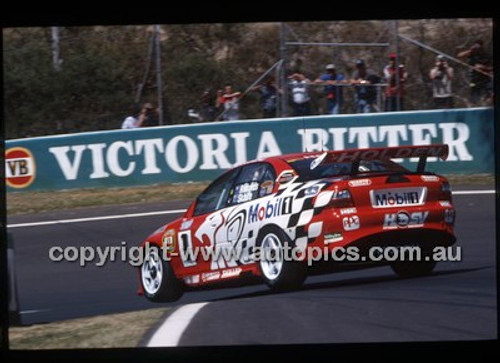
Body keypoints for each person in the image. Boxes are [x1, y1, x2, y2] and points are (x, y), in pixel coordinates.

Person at [457, 39, 493, 106]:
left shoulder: (487, 56)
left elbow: (491, 68)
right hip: (474, 80)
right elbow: (459, 56)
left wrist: (483, 67)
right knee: (474, 97)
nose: (477, 50)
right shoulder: (472, 54)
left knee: (490, 95)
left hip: (485, 79)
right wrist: (470, 50)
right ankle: (474, 105)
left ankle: (488, 104)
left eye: (478, 48)